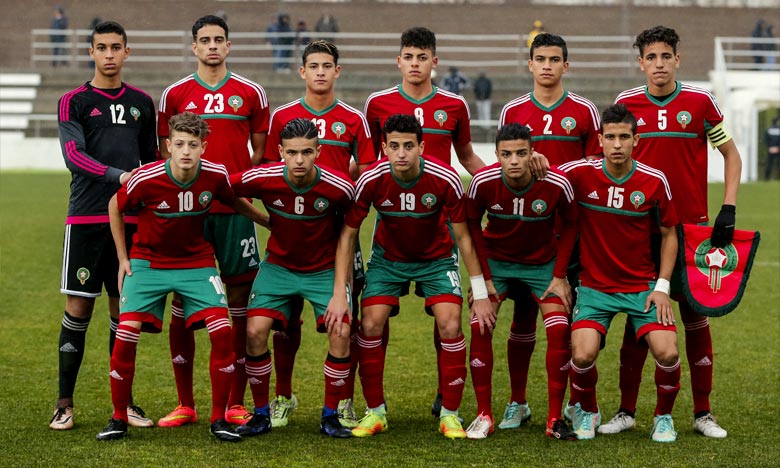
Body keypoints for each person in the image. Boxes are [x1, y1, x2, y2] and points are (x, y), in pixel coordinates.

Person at [97, 111, 268, 442]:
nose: (186, 151)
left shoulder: (215, 175)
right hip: (147, 264)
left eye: (192, 144)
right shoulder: (145, 178)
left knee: (221, 332)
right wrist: (122, 257)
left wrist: (267, 221)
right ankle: (118, 417)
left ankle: (218, 419)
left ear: (204, 147)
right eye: (179, 144)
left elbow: (234, 202)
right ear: (167, 147)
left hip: (196, 264)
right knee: (126, 333)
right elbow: (114, 206)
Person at [608, 25, 742, 439]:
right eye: (652, 57)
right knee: (638, 319)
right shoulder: (626, 104)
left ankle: (703, 414)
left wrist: (729, 206)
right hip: (639, 229)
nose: (659, 64)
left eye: (666, 56)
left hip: (691, 229)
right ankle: (626, 411)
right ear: (641, 63)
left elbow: (730, 154)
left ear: (677, 60)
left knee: (695, 318)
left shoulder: (701, 102)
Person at [327, 113, 494, 440]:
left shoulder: (445, 179)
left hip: (437, 259)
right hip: (389, 260)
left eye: (408, 146)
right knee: (372, 322)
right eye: (393, 146)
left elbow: (463, 239)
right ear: (384, 148)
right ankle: (375, 412)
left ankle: (450, 415)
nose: (401, 153)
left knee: (450, 322)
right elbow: (347, 236)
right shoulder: (371, 179)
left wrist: (481, 292)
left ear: (422, 146)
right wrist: (340, 294)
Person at [363, 27, 488, 417]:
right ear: (398, 61)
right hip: (394, 222)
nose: (415, 64)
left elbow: (467, 156)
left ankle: (444, 394)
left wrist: (498, 184)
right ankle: (374, 404)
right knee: (373, 318)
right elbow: (369, 159)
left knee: (445, 314)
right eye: (408, 57)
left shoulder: (454, 105)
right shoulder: (377, 103)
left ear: (434, 61)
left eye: (422, 57)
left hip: (440, 217)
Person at [157, 14, 270, 428]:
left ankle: (234, 402)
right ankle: (185, 403)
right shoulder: (175, 94)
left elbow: (259, 152)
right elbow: (164, 151)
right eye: (204, 40)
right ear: (193, 47)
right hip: (187, 211)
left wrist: (232, 183)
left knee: (239, 302)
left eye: (218, 39)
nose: (212, 46)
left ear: (228, 45)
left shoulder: (251, 92)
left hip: (234, 212)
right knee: (183, 301)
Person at [261, 40, 376, 429]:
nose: (321, 72)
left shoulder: (353, 118)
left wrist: (346, 182)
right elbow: (265, 171)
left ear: (337, 71)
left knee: (346, 318)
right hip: (291, 232)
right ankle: (283, 394)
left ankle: (343, 401)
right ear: (303, 72)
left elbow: (372, 171)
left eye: (328, 65)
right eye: (314, 65)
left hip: (337, 235)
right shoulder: (284, 115)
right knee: (283, 322)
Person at [50, 20, 158, 432]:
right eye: (102, 47)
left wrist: (145, 189)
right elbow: (73, 155)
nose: (109, 54)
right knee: (78, 308)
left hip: (131, 221)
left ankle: (124, 402)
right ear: (90, 52)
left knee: (123, 313)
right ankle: (64, 403)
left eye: (116, 47)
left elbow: (149, 157)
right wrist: (119, 176)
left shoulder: (142, 102)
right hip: (87, 219)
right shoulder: (73, 101)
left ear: (127, 52)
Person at [495, 32, 601, 433]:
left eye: (554, 59)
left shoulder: (584, 110)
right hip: (525, 229)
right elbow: (506, 159)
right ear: (529, 64)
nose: (546, 66)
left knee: (571, 321)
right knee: (523, 317)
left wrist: (556, 175)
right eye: (540, 59)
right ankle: (518, 403)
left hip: (570, 232)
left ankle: (577, 402)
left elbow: (595, 166)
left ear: (565, 66)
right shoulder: (514, 109)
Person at [560, 103, 681, 443]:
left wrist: (662, 286)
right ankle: (588, 409)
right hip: (595, 287)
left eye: (624, 137)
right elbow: (546, 174)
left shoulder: (654, 180)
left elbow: (670, 232)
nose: (616, 144)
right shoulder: (579, 174)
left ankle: (663, 417)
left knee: (668, 352)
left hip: (642, 286)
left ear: (636, 141)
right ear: (599, 140)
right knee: (581, 354)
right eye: (610, 137)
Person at [228, 118, 355, 439]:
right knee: (254, 332)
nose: (300, 160)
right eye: (293, 153)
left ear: (319, 151)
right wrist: (263, 219)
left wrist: (342, 289)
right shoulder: (263, 177)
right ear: (280, 152)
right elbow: (223, 190)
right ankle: (260, 415)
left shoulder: (339, 187)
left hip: (323, 269)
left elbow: (348, 234)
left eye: (307, 152)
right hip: (278, 267)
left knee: (341, 329)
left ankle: (331, 416)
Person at [464, 123, 578, 440]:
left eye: (520, 153)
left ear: (532, 154)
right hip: (496, 265)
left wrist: (559, 276)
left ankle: (555, 419)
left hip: (542, 266)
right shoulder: (482, 183)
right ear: (496, 155)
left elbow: (571, 225)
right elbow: (472, 230)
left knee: (558, 327)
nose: (514, 160)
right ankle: (484, 414)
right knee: (479, 324)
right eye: (506, 154)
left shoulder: (556, 184)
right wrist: (482, 284)